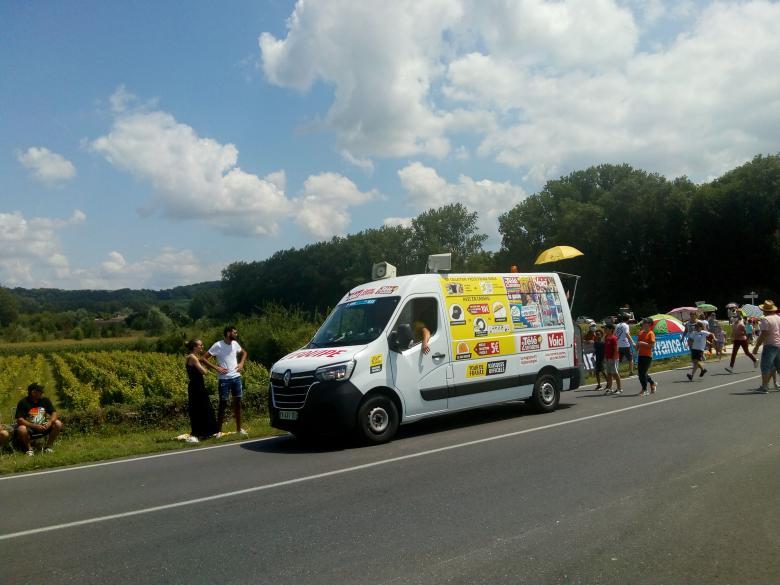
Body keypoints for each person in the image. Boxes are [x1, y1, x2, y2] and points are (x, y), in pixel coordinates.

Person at [203, 326, 248, 437]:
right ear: (228, 333)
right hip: (224, 379)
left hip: (236, 377)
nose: (236, 334)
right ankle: (218, 431)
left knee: (237, 403)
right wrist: (216, 368)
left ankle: (239, 430)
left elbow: (244, 353)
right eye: (234, 332)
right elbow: (203, 358)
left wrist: (241, 363)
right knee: (223, 404)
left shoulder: (235, 344)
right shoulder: (218, 345)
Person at [184, 339, 222, 442]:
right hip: (197, 387)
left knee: (201, 409)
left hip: (196, 386)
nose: (202, 346)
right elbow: (203, 371)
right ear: (194, 347)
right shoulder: (193, 358)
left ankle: (205, 432)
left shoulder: (191, 357)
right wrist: (207, 366)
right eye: (200, 345)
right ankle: (202, 432)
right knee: (203, 408)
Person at [15, 382, 63, 455]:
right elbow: (20, 420)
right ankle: (29, 449)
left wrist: (49, 422)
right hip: (30, 428)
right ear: (33, 393)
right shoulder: (23, 402)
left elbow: (54, 413)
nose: (42, 392)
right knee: (21, 429)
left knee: (58, 423)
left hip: (44, 426)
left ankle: (48, 447)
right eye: (40, 391)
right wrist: (35, 426)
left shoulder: (45, 400)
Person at [752, 300, 780, 394]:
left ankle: (764, 387)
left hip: (769, 345)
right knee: (777, 365)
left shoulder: (765, 319)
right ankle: (767, 385)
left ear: (765, 310)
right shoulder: (778, 318)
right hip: (778, 344)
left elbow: (764, 334)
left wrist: (756, 346)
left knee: (765, 366)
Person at [636, 317, 657, 396]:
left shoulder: (651, 333)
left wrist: (642, 343)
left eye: (645, 322)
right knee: (640, 374)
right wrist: (636, 345)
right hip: (641, 355)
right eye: (643, 322)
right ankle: (652, 383)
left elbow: (652, 346)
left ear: (649, 324)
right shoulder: (640, 333)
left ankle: (644, 389)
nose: (643, 324)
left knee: (643, 373)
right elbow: (637, 346)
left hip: (648, 356)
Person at [603, 323, 622, 395]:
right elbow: (606, 348)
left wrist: (614, 358)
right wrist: (605, 357)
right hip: (608, 358)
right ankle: (610, 388)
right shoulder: (606, 337)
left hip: (613, 358)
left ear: (611, 329)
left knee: (615, 373)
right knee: (609, 373)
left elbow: (616, 349)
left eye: (606, 328)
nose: (604, 330)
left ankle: (619, 388)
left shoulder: (614, 338)